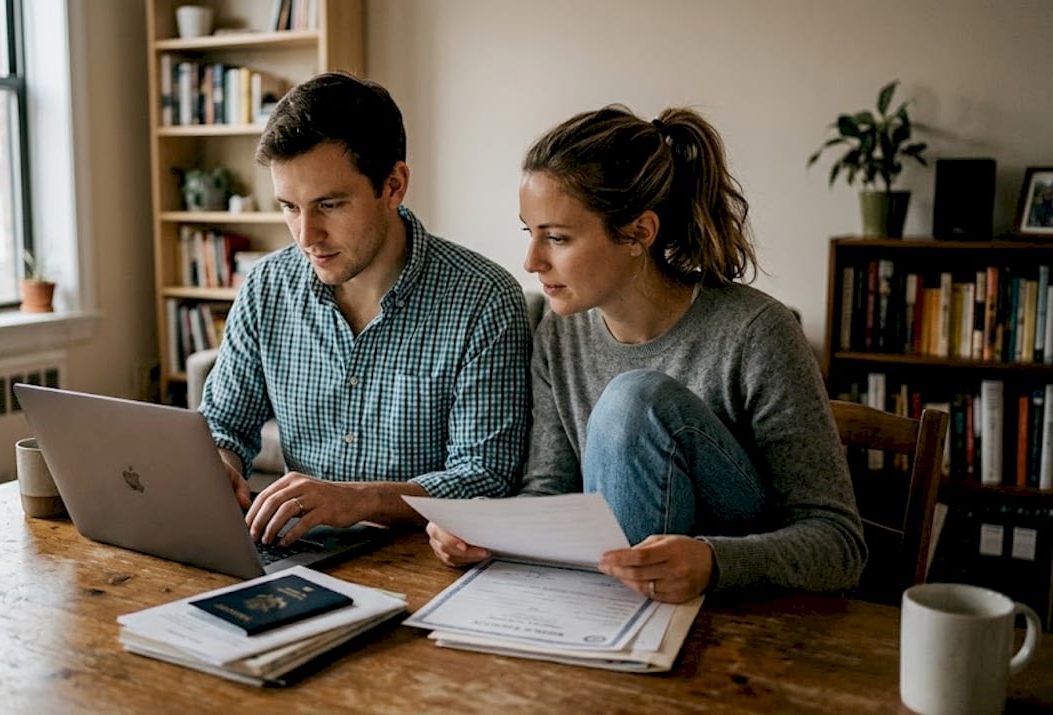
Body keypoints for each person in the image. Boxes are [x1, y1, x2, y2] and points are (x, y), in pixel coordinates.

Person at [428, 105, 867, 603]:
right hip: (604, 604)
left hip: (739, 615)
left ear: (639, 233)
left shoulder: (757, 332)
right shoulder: (560, 332)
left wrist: (712, 560)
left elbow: (840, 546)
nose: (532, 261)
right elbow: (548, 494)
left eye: (557, 237)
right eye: (529, 233)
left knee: (633, 398)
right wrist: (489, 536)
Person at [201, 72, 531, 547]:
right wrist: (219, 465)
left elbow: (484, 477)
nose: (305, 235)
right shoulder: (267, 285)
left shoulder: (483, 300)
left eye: (329, 205)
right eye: (290, 207)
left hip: (425, 563)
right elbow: (224, 424)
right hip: (299, 555)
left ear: (393, 186)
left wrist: (358, 500)